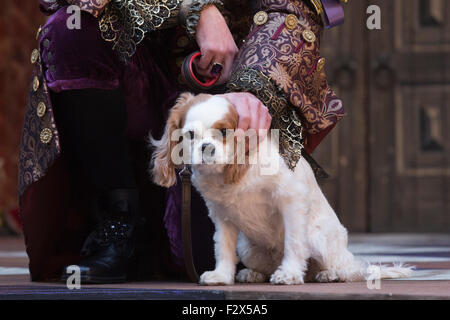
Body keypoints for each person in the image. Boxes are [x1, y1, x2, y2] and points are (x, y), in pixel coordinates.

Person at [18, 0, 344, 283]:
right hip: (130, 74)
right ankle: (118, 222)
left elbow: (291, 9)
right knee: (70, 27)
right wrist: (197, 10)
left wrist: (252, 89)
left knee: (206, 258)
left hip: (228, 87)